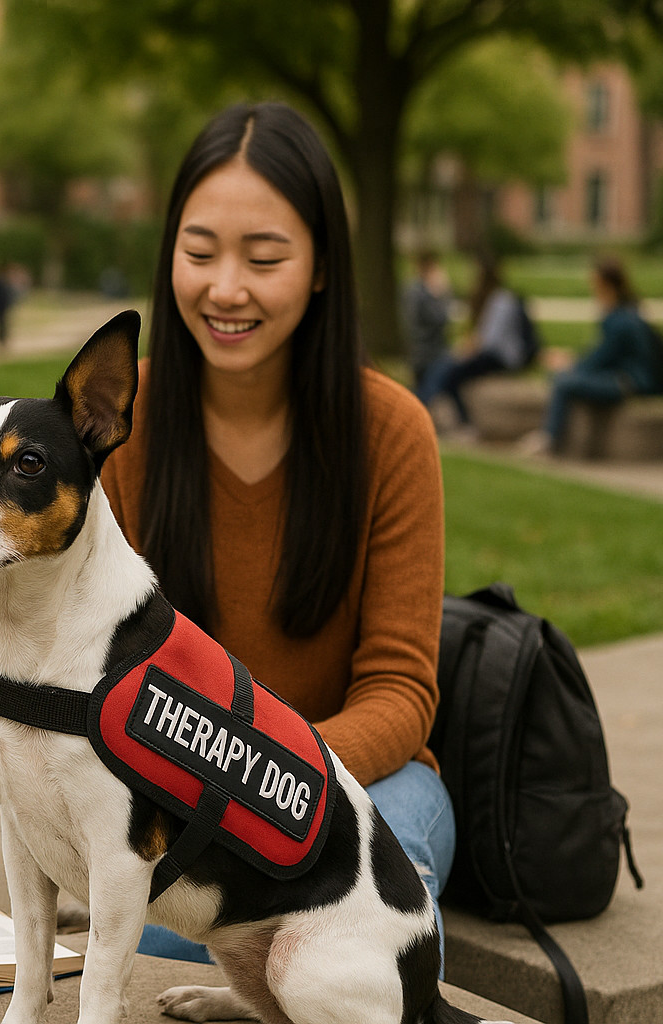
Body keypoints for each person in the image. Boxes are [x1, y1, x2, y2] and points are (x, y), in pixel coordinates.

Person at [95, 102, 453, 965]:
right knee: (178, 947)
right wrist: (211, 792)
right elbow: (93, 670)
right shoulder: (116, 424)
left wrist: (270, 778)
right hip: (174, 792)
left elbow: (402, 690)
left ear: (323, 265)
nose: (226, 288)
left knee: (365, 947)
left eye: (265, 258)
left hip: (364, 783)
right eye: (199, 252)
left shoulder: (391, 432)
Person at [518, 256, 663, 455]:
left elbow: (601, 358)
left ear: (605, 285)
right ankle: (549, 436)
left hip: (630, 382)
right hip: (629, 377)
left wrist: (569, 365)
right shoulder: (627, 312)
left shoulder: (620, 320)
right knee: (565, 378)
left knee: (563, 381)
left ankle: (549, 438)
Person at [416, 255, 526, 433]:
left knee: (451, 371)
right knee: (443, 367)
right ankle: (425, 405)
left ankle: (431, 410)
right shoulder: (489, 299)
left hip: (500, 358)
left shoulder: (502, 300)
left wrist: (469, 349)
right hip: (488, 353)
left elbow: (490, 341)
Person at [402, 248, 452, 390]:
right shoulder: (422, 293)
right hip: (428, 353)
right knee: (426, 391)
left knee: (428, 389)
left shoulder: (410, 289)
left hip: (419, 351)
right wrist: (443, 292)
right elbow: (440, 317)